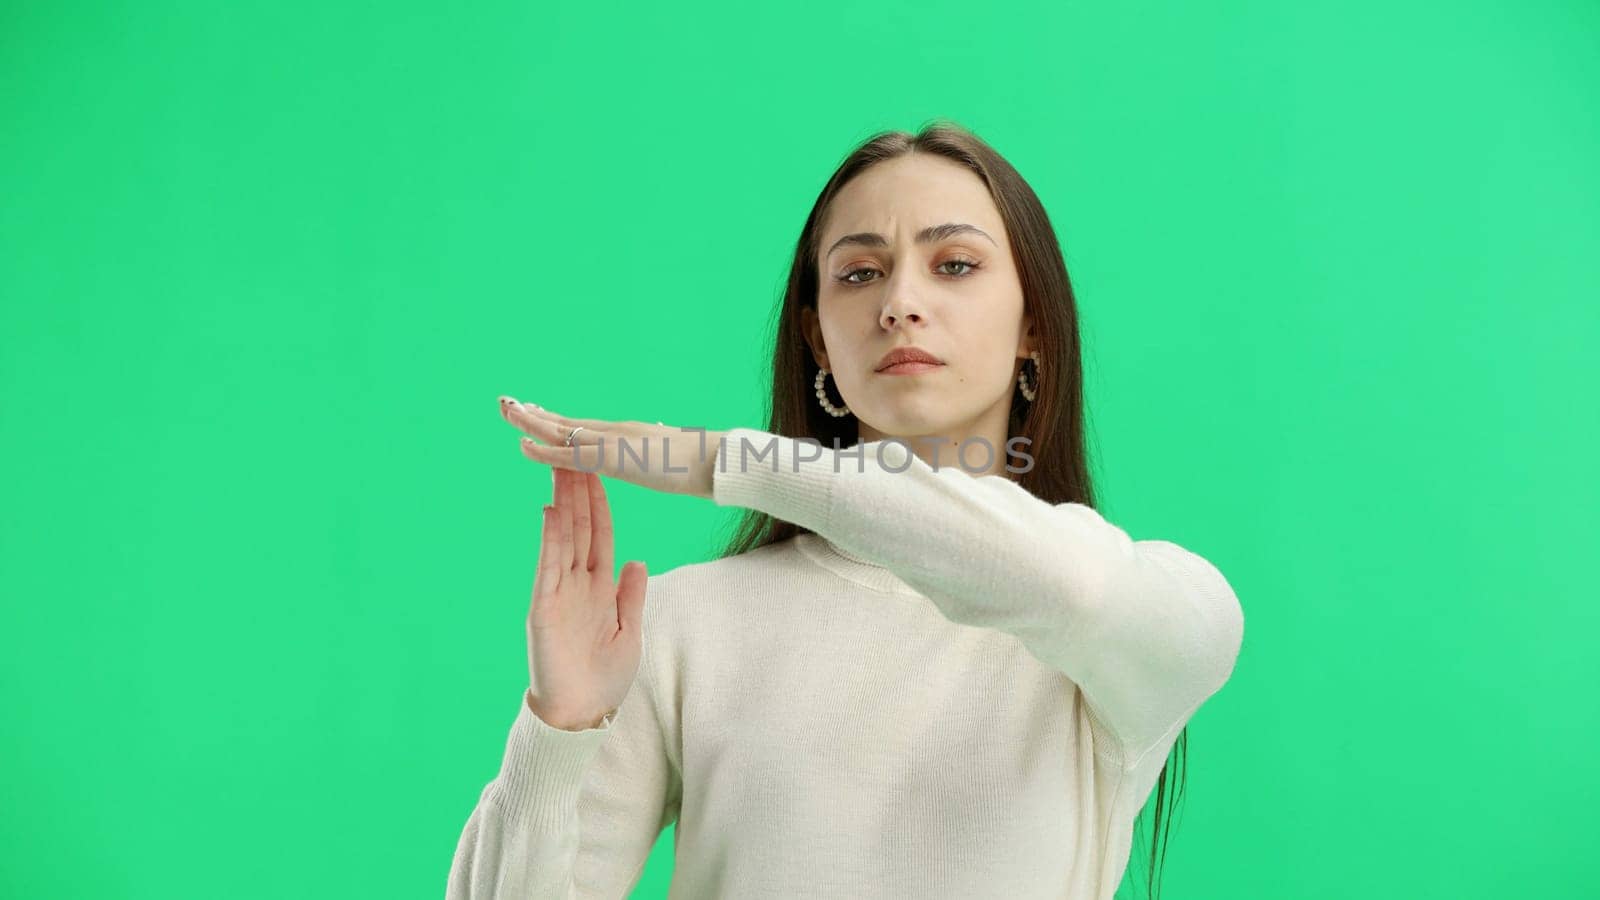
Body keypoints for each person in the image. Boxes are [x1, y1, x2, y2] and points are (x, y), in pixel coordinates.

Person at [446, 121, 1245, 900]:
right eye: (860, 273)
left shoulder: (1146, 615)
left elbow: (1075, 586)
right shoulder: (681, 622)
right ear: (818, 341)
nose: (900, 301)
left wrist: (727, 461)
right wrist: (561, 727)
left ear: (1034, 322)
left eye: (956, 264)